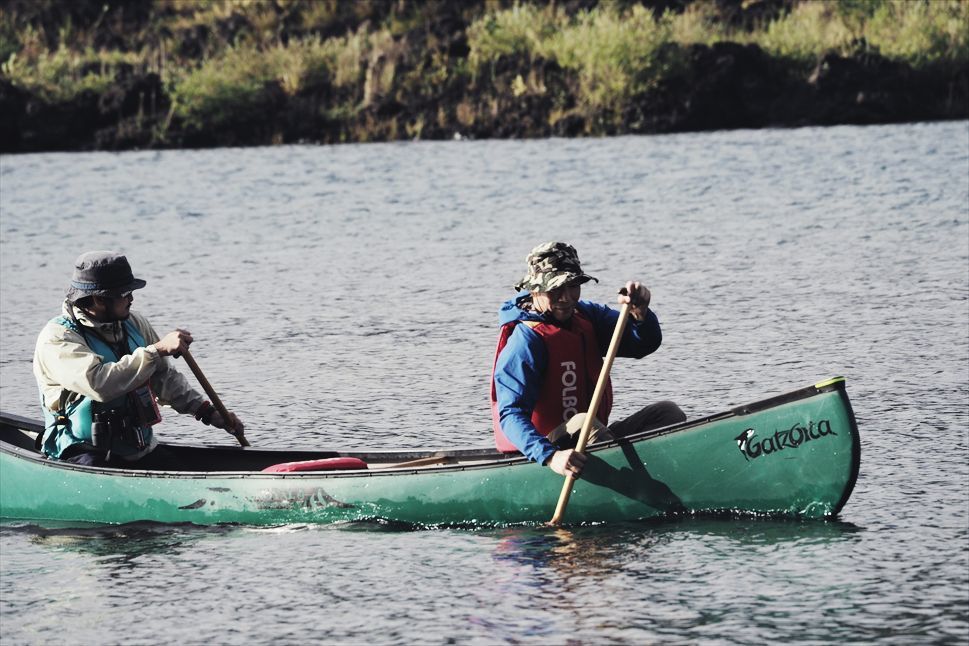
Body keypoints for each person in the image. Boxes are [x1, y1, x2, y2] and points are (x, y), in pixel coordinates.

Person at [490, 242, 686, 479]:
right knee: (584, 422)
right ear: (535, 290)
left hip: (591, 440)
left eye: (572, 286)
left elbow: (643, 344)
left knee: (667, 413)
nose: (566, 297)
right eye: (555, 289)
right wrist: (551, 457)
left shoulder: (587, 316)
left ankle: (664, 477)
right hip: (544, 452)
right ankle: (641, 485)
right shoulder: (526, 341)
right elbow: (510, 414)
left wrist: (640, 314)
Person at [33, 251, 245, 469]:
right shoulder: (58, 338)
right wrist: (156, 350)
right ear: (98, 299)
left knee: (180, 473)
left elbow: (163, 379)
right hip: (81, 450)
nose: (132, 299)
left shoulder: (133, 323)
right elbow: (99, 384)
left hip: (136, 447)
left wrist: (207, 412)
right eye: (125, 293)